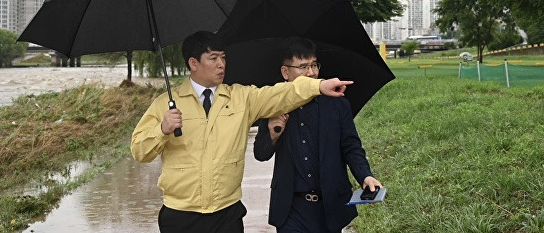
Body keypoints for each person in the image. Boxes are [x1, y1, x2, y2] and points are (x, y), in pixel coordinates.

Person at [130, 31, 353, 233]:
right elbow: (140, 151)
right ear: (193, 63)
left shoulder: (240, 98)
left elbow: (281, 93)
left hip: (227, 213)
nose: (221, 64)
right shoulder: (165, 104)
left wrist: (318, 86)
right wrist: (162, 129)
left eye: (223, 57)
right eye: (213, 58)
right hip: (180, 214)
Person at [253, 37, 381, 233]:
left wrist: (365, 175)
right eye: (303, 67)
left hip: (329, 205)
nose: (311, 73)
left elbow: (351, 146)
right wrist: (272, 133)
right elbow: (261, 154)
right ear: (285, 72)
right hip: (291, 208)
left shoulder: (337, 104)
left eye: (314, 65)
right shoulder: (274, 104)